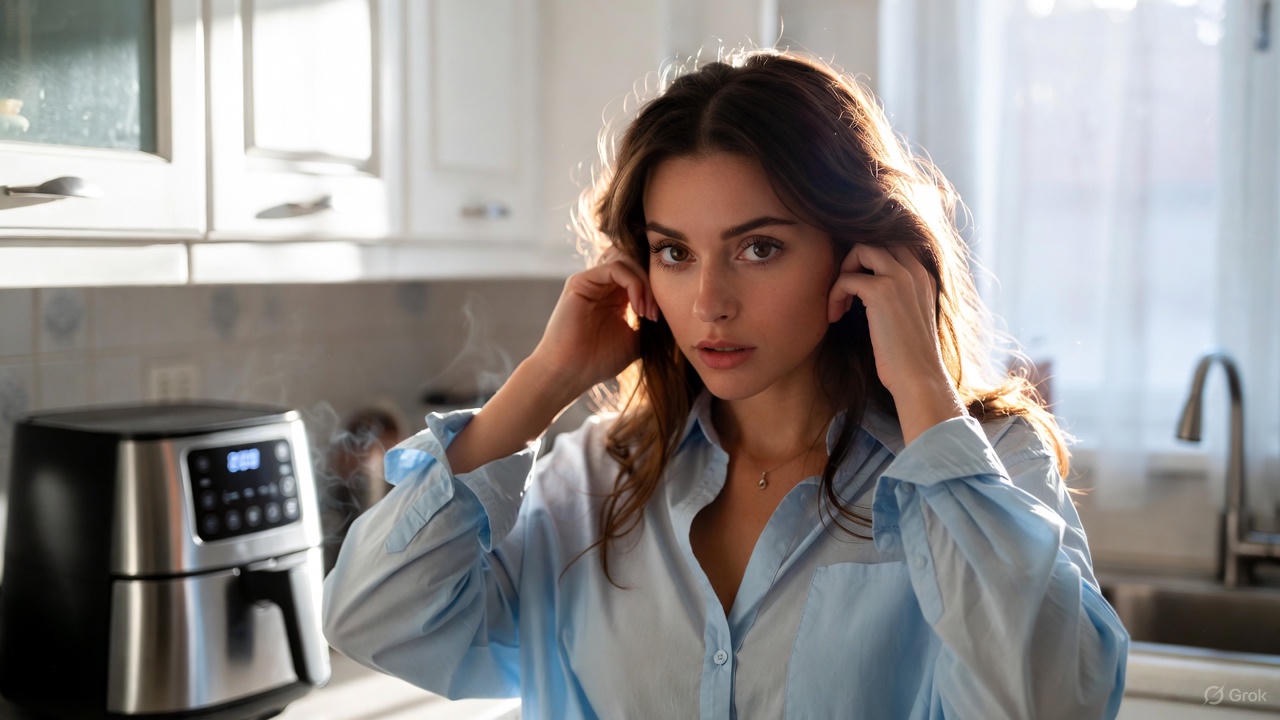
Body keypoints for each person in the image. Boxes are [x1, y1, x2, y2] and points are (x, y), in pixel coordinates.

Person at [322, 49, 1129, 719]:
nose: (709, 302)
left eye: (759, 248)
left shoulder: (993, 467)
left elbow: (1054, 703)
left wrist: (921, 385)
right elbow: (373, 620)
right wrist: (543, 382)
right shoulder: (591, 481)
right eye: (675, 252)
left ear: (859, 253)